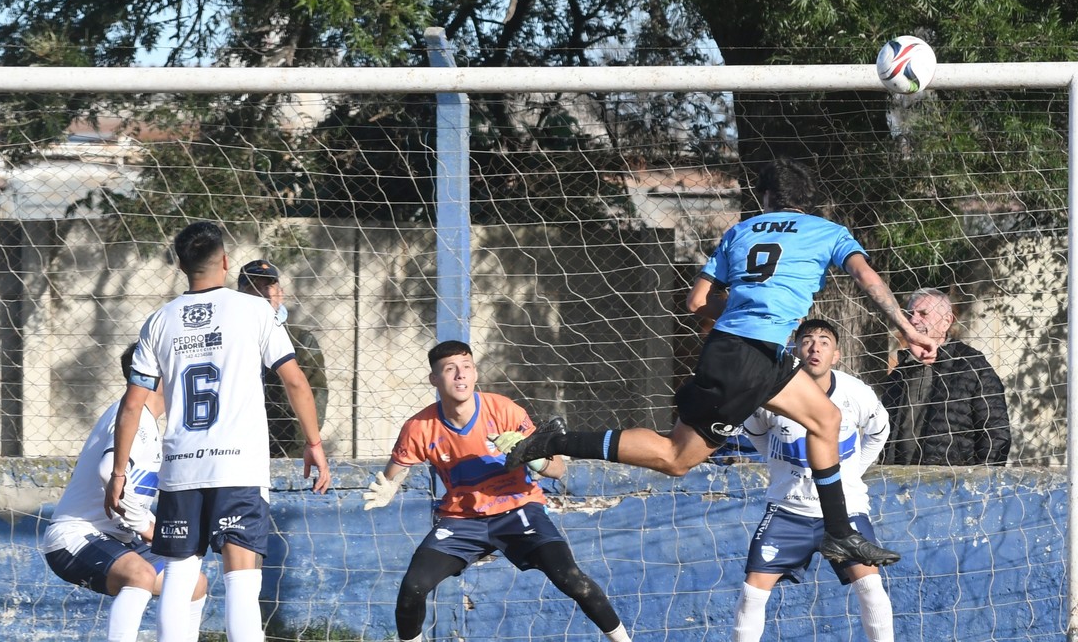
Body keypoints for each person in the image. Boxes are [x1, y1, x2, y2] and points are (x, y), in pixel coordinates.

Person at [505, 157, 935, 566]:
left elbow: (696, 301)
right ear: (809, 199)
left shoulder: (741, 231)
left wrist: (743, 305)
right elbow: (867, 278)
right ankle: (555, 441)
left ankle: (838, 532)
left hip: (749, 352)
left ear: (764, 197)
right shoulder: (828, 232)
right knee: (676, 457)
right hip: (749, 357)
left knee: (826, 418)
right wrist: (908, 330)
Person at [104, 221, 332, 642]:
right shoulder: (255, 311)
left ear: (180, 264)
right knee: (242, 582)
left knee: (178, 578)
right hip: (238, 468)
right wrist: (314, 443)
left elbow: (132, 404)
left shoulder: (157, 321)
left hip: (181, 469)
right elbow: (296, 382)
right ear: (225, 261)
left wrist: (120, 472)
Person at [362, 340, 631, 642]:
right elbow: (395, 472)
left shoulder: (504, 410)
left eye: (466, 367)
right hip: (461, 520)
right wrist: (390, 487)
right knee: (412, 588)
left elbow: (557, 469)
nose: (460, 375)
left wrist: (532, 456)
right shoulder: (419, 426)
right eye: (450, 369)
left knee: (572, 580)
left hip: (519, 510)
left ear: (475, 373)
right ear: (434, 379)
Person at [733, 319, 894, 642]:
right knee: (752, 593)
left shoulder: (856, 393)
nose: (815, 348)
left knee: (871, 587)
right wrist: (778, 468)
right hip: (787, 510)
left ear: (836, 355)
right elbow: (756, 432)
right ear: (795, 350)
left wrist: (852, 472)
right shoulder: (773, 392)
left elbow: (879, 432)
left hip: (845, 509)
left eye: (824, 342)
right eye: (807, 341)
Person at [43, 343, 208, 642]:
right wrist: (147, 527)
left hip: (120, 538)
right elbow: (109, 471)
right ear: (158, 375)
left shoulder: (149, 423)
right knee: (140, 575)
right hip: (74, 536)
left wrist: (155, 528)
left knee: (193, 584)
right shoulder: (135, 419)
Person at [881, 287, 1011, 465]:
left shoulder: (971, 365)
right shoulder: (899, 373)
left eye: (923, 314)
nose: (913, 320)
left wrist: (983, 478)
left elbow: (995, 431)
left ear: (946, 322)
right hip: (897, 477)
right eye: (910, 314)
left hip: (952, 478)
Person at [236, 259, 329, 458]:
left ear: (280, 293)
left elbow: (316, 394)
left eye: (268, 286)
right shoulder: (231, 339)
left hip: (289, 447)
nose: (263, 293)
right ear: (240, 296)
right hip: (240, 445)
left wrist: (303, 442)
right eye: (253, 286)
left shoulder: (300, 340)